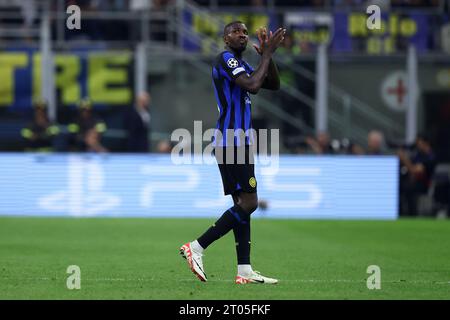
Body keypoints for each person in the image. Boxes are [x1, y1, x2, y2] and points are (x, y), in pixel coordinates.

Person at [180, 21, 285, 285]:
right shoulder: (225, 58)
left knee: (242, 204)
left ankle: (245, 270)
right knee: (250, 203)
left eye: (245, 32)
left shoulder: (241, 63)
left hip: (236, 140)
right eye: (236, 32)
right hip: (232, 139)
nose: (242, 35)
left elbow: (272, 83)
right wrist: (268, 55)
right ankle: (197, 246)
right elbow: (252, 85)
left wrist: (265, 57)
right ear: (226, 39)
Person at [398, 134, 437, 216]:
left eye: (419, 143)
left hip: (423, 184)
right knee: (401, 186)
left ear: (425, 143)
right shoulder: (418, 155)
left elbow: (414, 170)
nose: (418, 145)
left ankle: (411, 214)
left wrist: (404, 158)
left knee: (408, 189)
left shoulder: (430, 157)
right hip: (413, 182)